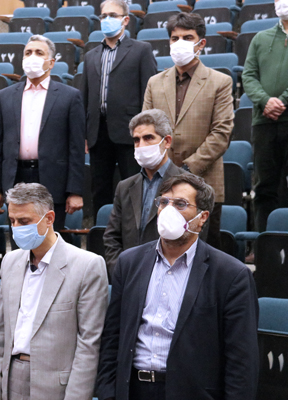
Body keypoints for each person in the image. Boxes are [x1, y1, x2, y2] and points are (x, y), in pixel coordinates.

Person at [96, 174, 259, 400]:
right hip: (134, 389)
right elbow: (113, 337)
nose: (168, 210)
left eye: (180, 204)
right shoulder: (129, 262)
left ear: (202, 218)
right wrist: (107, 393)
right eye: (163, 202)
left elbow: (241, 360)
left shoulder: (231, 275)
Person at [0, 183, 109, 400]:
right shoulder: (10, 262)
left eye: (24, 221)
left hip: (56, 387)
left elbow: (88, 344)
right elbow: (0, 336)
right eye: (12, 221)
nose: (16, 228)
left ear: (49, 218)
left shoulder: (87, 265)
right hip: (10, 378)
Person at [143, 12, 234, 249]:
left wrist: (187, 169)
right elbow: (146, 130)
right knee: (161, 250)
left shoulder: (220, 82)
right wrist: (164, 168)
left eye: (187, 37)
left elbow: (222, 133)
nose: (179, 43)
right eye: (175, 38)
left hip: (204, 182)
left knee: (202, 253)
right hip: (162, 186)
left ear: (201, 43)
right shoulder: (154, 83)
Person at [0, 35, 85, 232]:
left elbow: (76, 148)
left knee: (49, 237)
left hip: (52, 179)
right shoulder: (5, 96)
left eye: (39, 53)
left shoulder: (69, 96)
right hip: (16, 177)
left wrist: (75, 191)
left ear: (51, 62)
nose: (32, 57)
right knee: (19, 236)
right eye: (28, 53)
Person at [82, 0, 158, 219]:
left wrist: (146, 131)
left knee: (134, 187)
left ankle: (135, 233)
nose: (107, 20)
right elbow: (85, 96)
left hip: (131, 132)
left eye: (113, 15)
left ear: (125, 20)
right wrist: (85, 133)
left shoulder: (141, 50)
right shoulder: (90, 56)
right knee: (100, 190)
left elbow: (149, 93)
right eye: (103, 16)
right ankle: (102, 232)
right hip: (98, 132)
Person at [103, 109, 185, 275]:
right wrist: (120, 271)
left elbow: (191, 237)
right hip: (129, 275)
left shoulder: (186, 184)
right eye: (136, 140)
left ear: (167, 141)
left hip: (170, 274)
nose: (141, 145)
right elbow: (112, 238)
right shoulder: (124, 187)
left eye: (148, 138)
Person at [242, 0, 288, 232]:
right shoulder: (260, 38)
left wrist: (283, 100)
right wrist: (264, 100)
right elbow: (248, 75)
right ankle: (264, 242)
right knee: (264, 187)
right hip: (264, 122)